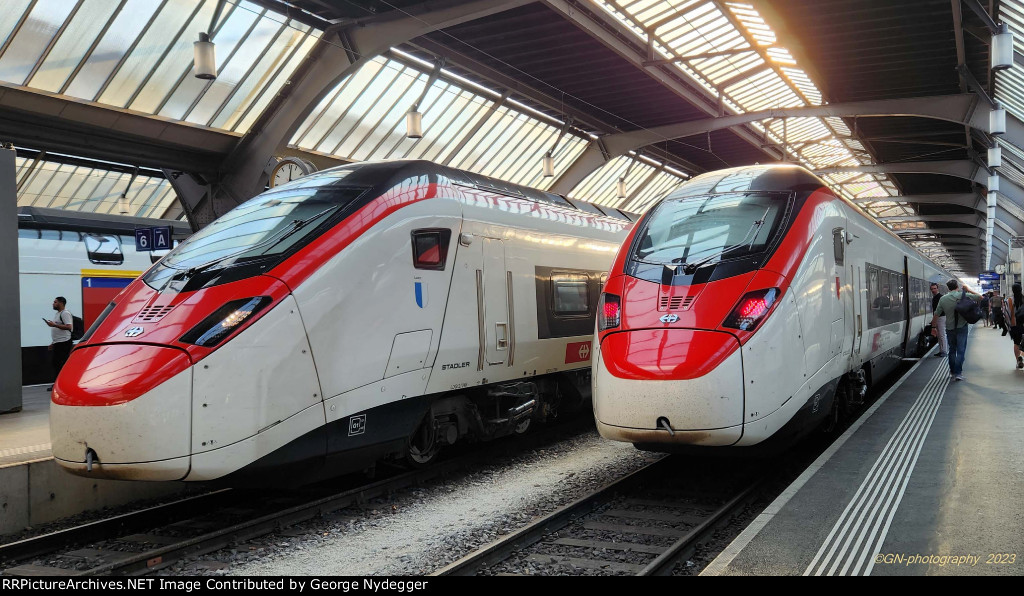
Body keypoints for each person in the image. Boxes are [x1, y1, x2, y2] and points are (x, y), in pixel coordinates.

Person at [931, 279, 982, 381]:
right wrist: (968, 289)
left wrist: (933, 327)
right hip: (962, 327)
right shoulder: (964, 295)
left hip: (949, 328)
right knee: (961, 350)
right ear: (957, 287)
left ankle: (953, 371)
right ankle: (958, 373)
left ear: (948, 288)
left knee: (952, 350)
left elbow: (936, 314)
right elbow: (980, 297)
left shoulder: (943, 299)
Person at [43, 296, 73, 391]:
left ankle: (61, 385)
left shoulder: (65, 313)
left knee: (59, 363)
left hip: (64, 343)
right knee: (56, 363)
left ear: (61, 303)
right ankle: (59, 384)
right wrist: (53, 343)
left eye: (55, 302)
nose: (53, 303)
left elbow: (69, 327)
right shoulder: (58, 314)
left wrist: (54, 325)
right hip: (58, 343)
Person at [1008, 283, 1024, 370]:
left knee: (1016, 343)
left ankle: (1018, 360)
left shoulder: (1010, 300)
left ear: (1013, 290)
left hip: (1015, 324)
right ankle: (1021, 356)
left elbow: (1010, 313)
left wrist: (1011, 325)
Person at [930, 283, 948, 358]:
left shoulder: (940, 297)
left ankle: (944, 351)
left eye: (935, 288)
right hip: (938, 317)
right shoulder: (935, 297)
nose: (933, 290)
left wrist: (935, 319)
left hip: (941, 317)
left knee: (941, 334)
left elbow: (939, 310)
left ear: (938, 289)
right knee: (939, 335)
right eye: (932, 289)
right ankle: (941, 351)